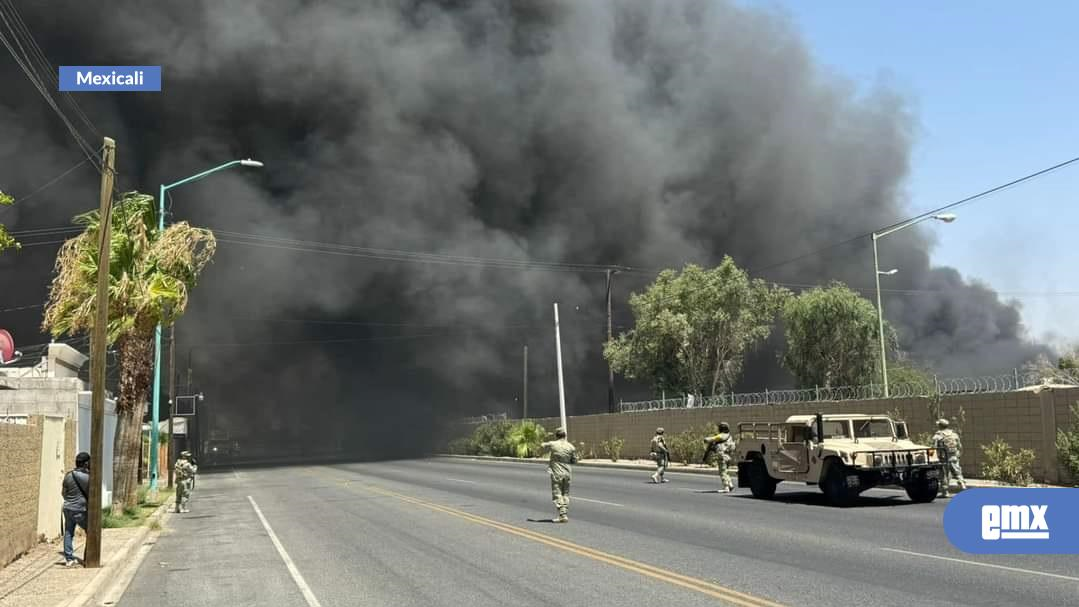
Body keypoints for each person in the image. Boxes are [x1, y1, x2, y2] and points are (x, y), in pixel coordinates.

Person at [540, 428, 578, 522]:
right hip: (567, 473)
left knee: (557, 494)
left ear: (557, 436)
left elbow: (543, 445)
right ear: (565, 436)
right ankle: (564, 513)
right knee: (565, 493)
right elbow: (575, 461)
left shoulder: (553, 444)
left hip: (557, 472)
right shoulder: (571, 446)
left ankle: (562, 514)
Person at [61, 452, 90, 567]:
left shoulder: (68, 475)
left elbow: (63, 493)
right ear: (86, 463)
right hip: (80, 509)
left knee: (68, 532)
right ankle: (89, 557)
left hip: (67, 508)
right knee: (91, 531)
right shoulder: (87, 477)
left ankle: (69, 559)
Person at [932, 419, 967, 497]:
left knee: (944, 475)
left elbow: (934, 448)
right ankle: (962, 484)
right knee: (957, 472)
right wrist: (958, 455)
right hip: (953, 456)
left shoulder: (938, 436)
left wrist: (933, 458)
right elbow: (960, 446)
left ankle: (945, 492)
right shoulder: (954, 434)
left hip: (943, 458)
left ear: (940, 426)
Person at [704, 422, 736, 493]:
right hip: (728, 456)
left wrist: (706, 439)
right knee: (726, 471)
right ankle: (730, 484)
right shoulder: (729, 436)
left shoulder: (722, 436)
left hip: (722, 456)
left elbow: (714, 438)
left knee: (722, 472)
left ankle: (726, 487)